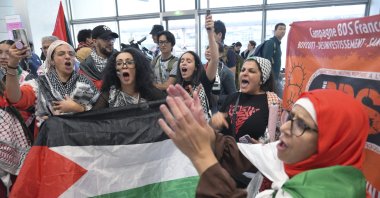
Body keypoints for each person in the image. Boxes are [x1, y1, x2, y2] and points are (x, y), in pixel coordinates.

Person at [159, 86, 368, 197]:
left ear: (332, 142)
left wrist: (201, 156)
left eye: (301, 124)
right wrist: (206, 132)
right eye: (290, 116)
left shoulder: (329, 193)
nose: (285, 127)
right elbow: (243, 153)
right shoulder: (294, 160)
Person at [6, 40, 99, 133]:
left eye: (71, 54)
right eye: (61, 54)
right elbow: (15, 99)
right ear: (52, 61)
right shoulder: (40, 84)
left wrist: (79, 108)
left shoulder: (85, 83)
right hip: (50, 141)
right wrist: (12, 66)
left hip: (83, 138)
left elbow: (99, 111)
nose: (67, 57)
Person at [176, 14, 218, 121]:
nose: (184, 63)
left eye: (189, 61)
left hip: (204, 127)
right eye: (182, 61)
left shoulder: (203, 80)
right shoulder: (177, 86)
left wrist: (210, 33)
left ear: (195, 67)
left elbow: (214, 60)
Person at [93, 47, 165, 109]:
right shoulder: (108, 95)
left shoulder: (151, 93)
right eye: (119, 63)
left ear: (138, 68)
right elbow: (93, 120)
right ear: (114, 70)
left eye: (129, 62)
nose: (124, 66)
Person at [80, 25, 119, 89]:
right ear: (94, 42)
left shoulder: (120, 60)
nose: (111, 43)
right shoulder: (86, 67)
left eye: (112, 39)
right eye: (106, 39)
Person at [205, 42, 236, 114]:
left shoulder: (225, 72)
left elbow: (234, 96)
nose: (208, 50)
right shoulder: (201, 69)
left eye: (213, 48)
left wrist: (218, 98)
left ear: (220, 54)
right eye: (207, 48)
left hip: (217, 113)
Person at [262, 23, 286, 98]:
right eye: (280, 29)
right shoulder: (271, 43)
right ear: (275, 31)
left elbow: (274, 62)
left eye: (284, 29)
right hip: (271, 79)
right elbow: (266, 61)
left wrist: (279, 74)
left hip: (276, 77)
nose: (283, 31)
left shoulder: (277, 44)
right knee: (278, 99)